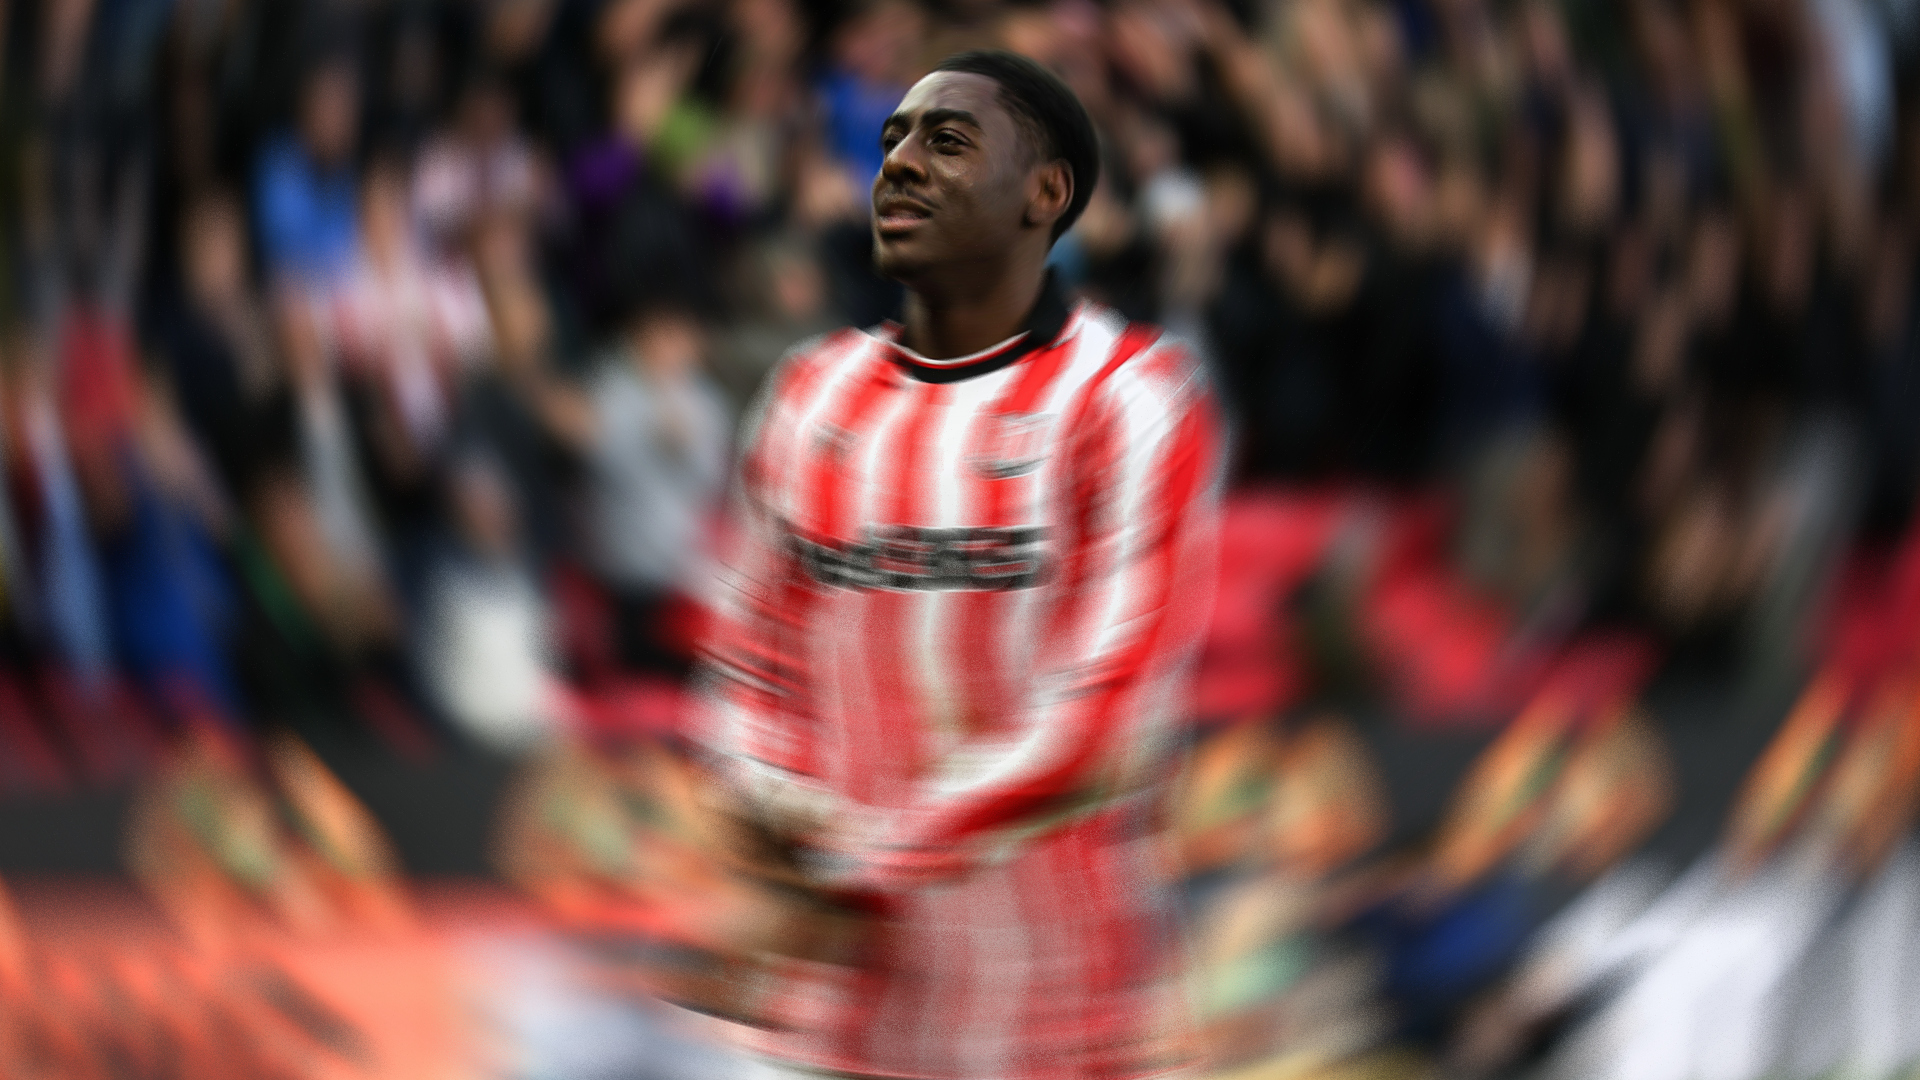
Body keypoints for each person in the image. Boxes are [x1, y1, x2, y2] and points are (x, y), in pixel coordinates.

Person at [691, 49, 1222, 1080]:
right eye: (892, 140)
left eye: (946, 141)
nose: (898, 164)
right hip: (833, 1027)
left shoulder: (1127, 398)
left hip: (1061, 1028)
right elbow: (749, 664)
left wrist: (856, 865)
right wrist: (768, 802)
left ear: (1045, 193)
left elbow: (1100, 725)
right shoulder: (809, 393)